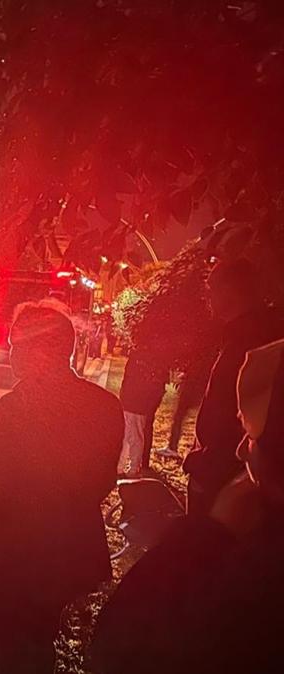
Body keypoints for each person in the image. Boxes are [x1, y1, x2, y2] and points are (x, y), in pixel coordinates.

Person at [90, 336, 284, 674]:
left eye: (252, 436)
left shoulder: (257, 566)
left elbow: (121, 645)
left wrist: (206, 535)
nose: (240, 451)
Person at [0, 304, 124, 674]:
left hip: (13, 561)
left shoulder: (9, 412)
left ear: (39, 351)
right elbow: (101, 481)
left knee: (13, 651)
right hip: (68, 557)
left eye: (16, 345)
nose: (12, 354)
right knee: (40, 645)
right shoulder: (104, 406)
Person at [184, 259, 284, 516]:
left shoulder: (249, 340)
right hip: (232, 470)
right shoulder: (253, 333)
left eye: (212, 290)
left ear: (230, 290)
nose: (210, 299)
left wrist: (206, 466)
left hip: (226, 475)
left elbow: (234, 412)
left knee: (208, 549)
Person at [117, 350, 169, 475]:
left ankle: (131, 466)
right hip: (136, 403)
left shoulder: (140, 356)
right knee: (131, 435)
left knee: (131, 436)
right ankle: (125, 466)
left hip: (134, 402)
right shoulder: (155, 359)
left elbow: (128, 377)